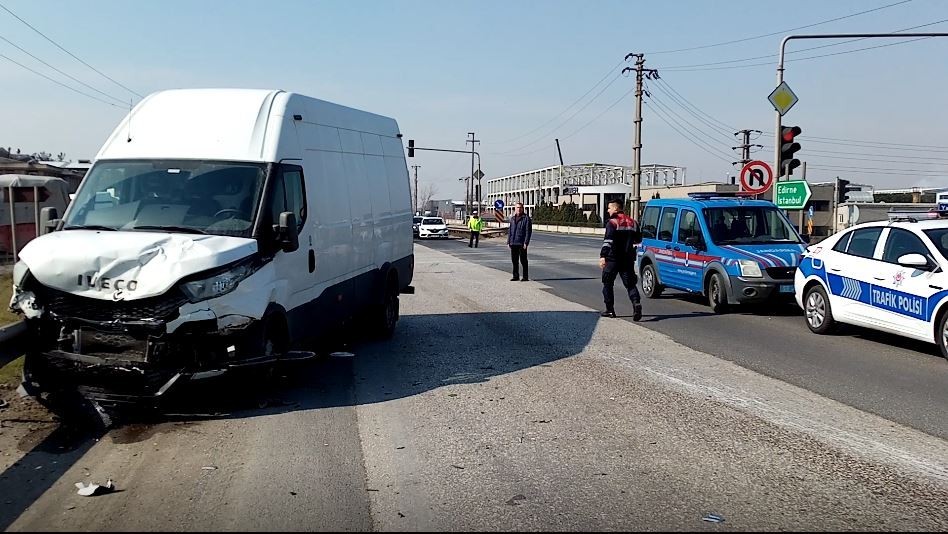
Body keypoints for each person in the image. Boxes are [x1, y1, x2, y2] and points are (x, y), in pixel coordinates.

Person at [599, 199, 643, 321]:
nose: (608, 210)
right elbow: (638, 240)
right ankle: (636, 303)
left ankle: (610, 310)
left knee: (607, 284)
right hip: (627, 259)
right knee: (630, 285)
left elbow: (608, 241)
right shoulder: (633, 223)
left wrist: (603, 256)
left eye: (609, 208)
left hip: (613, 259)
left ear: (616, 209)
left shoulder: (612, 223)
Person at [507, 202, 532, 281]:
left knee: (523, 260)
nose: (519, 209)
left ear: (523, 208)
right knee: (514, 260)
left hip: (521, 242)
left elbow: (528, 231)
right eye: (517, 207)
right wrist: (508, 241)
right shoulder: (513, 219)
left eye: (520, 207)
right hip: (513, 242)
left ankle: (525, 276)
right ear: (515, 208)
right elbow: (510, 231)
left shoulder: (526, 218)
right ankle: (515, 276)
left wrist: (526, 242)